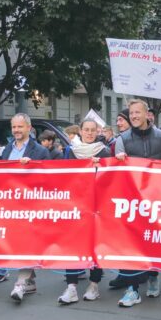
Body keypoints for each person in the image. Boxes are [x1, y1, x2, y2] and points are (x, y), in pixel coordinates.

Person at [113, 99, 161, 307]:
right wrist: (118, 161)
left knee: (151, 241)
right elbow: (117, 173)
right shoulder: (122, 139)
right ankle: (132, 290)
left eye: (138, 113)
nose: (134, 117)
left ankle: (153, 275)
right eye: (131, 114)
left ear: (148, 114)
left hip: (156, 200)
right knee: (131, 245)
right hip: (132, 201)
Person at [56, 118, 113, 304]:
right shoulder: (70, 151)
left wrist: (100, 167)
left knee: (94, 244)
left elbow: (111, 179)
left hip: (97, 206)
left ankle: (94, 285)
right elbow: (63, 176)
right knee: (72, 245)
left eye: (92, 130)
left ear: (97, 132)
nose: (89, 133)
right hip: (76, 204)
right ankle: (71, 286)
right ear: (80, 131)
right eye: (86, 130)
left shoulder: (104, 151)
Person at [0, 113, 51, 303]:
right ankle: (30, 281)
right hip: (12, 206)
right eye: (14, 127)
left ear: (29, 128)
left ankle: (21, 283)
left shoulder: (40, 151)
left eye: (20, 127)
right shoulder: (6, 150)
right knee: (19, 244)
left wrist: (31, 169)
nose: (16, 131)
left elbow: (49, 179)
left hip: (32, 206)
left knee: (27, 244)